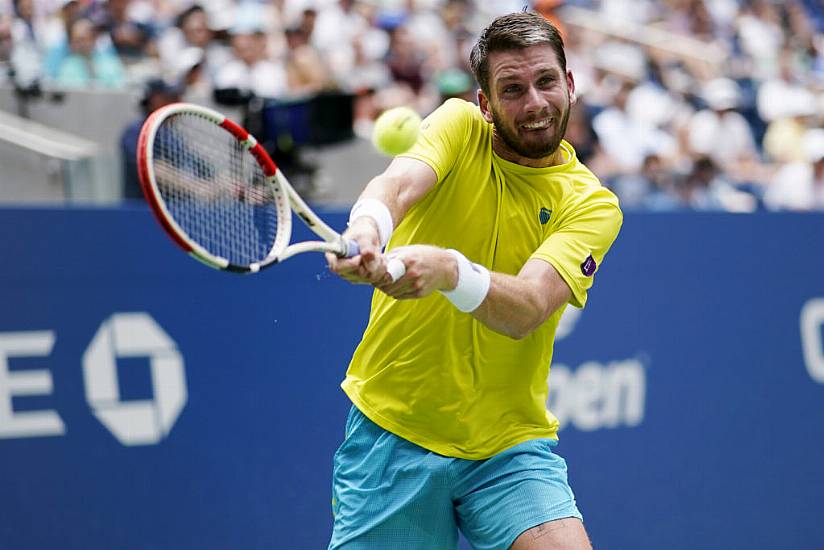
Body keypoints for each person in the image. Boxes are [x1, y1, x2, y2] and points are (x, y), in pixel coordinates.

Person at [326, 11, 623, 550]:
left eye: (546, 82)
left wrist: (447, 270)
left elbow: (529, 306)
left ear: (570, 85)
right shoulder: (458, 126)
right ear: (485, 104)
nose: (534, 103)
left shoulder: (592, 204)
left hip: (508, 447)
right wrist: (367, 230)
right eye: (512, 89)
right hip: (393, 434)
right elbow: (396, 185)